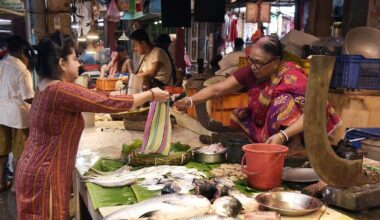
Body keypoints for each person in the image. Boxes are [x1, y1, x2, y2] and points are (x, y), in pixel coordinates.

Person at [15, 31, 169, 219]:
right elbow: (109, 104)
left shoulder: (45, 86)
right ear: (62, 63)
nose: (79, 63)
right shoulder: (60, 90)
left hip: (32, 169)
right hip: (46, 174)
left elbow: (98, 97)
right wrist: (151, 94)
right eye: (74, 59)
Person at [174, 36, 341, 149]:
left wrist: (283, 135)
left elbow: (312, 114)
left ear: (275, 63)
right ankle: (265, 142)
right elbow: (218, 89)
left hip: (299, 132)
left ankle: (293, 149)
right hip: (267, 125)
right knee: (240, 114)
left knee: (283, 102)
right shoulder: (251, 71)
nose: (253, 66)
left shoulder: (293, 77)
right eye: (251, 61)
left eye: (258, 63)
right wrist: (189, 101)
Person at [0, 36, 34, 193]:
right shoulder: (22, 70)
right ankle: (15, 186)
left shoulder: (1, 64)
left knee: (2, 151)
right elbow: (28, 97)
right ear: (22, 51)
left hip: (0, 114)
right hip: (16, 116)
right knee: (19, 152)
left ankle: (0, 183)